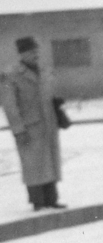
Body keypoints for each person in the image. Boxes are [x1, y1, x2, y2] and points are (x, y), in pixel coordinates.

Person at [1, 37, 66, 210]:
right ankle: (38, 201)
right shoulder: (11, 75)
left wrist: (58, 110)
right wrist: (18, 130)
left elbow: (49, 95)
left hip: (48, 124)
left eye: (36, 50)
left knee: (49, 162)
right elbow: (9, 106)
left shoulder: (44, 71)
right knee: (33, 165)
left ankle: (52, 199)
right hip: (29, 127)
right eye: (30, 51)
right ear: (21, 54)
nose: (35, 54)